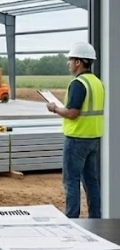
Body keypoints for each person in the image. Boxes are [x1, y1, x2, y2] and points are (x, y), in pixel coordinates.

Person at [46, 41, 104, 219]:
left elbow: (72, 113)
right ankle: (96, 219)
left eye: (70, 60)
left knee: (71, 181)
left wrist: (54, 108)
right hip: (93, 138)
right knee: (91, 182)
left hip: (77, 139)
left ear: (78, 62)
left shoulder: (78, 83)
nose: (68, 63)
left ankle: (72, 220)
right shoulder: (97, 83)